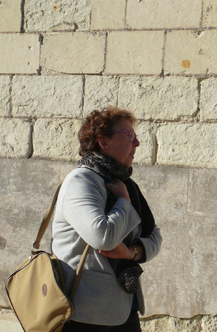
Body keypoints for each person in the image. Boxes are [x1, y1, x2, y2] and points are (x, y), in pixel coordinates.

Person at [52, 107, 162, 332]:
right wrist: (123, 200)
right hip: (86, 313)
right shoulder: (81, 181)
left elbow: (155, 236)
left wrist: (132, 253)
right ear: (104, 141)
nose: (137, 143)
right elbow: (103, 237)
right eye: (130, 136)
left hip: (123, 307)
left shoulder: (126, 184)